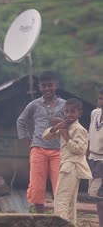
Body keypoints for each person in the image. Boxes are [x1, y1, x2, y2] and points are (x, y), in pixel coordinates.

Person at [16, 71, 65, 213]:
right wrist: (26, 137)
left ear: (56, 86)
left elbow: (72, 123)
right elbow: (21, 121)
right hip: (38, 149)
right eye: (44, 86)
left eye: (50, 85)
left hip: (59, 150)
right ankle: (40, 218)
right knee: (37, 186)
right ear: (39, 87)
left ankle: (59, 216)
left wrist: (62, 123)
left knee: (60, 185)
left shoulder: (65, 105)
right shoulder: (34, 105)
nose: (47, 89)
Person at [43, 98, 92, 225]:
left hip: (71, 167)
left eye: (72, 112)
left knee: (61, 200)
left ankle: (60, 224)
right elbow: (45, 136)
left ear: (79, 113)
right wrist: (58, 127)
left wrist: (66, 136)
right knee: (69, 201)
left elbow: (80, 150)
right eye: (66, 111)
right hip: (67, 166)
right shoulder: (65, 126)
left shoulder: (79, 129)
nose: (69, 114)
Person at [87, 88, 103, 226]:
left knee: (100, 194)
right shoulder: (95, 113)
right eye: (100, 98)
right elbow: (89, 136)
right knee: (95, 196)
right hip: (92, 158)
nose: (102, 101)